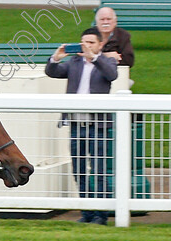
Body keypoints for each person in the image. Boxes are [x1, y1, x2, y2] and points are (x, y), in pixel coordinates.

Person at [45, 27, 118, 225]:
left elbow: (112, 75)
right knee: (79, 170)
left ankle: (101, 215)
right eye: (84, 42)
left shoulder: (107, 61)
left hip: (98, 125)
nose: (86, 46)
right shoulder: (74, 62)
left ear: (100, 45)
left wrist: (94, 57)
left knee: (99, 171)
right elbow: (53, 72)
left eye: (91, 43)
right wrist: (56, 58)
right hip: (76, 124)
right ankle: (87, 213)